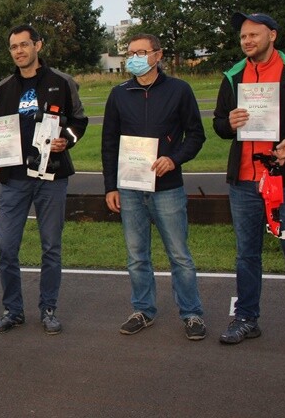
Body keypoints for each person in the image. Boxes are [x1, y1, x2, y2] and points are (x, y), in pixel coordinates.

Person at [213, 12, 285, 356]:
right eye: (243, 37)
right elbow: (219, 125)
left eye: (254, 35)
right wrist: (229, 123)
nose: (247, 41)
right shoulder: (233, 76)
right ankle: (246, 319)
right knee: (246, 255)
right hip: (244, 182)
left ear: (272, 36)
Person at [0, 25, 88, 335]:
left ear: (37, 46)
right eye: (13, 47)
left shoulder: (62, 82)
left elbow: (79, 121)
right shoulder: (2, 88)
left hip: (51, 176)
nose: (19, 51)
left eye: (24, 45)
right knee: (6, 247)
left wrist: (67, 140)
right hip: (14, 179)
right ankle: (13, 311)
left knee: (51, 247)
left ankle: (48, 309)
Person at [101, 33, 207, 341]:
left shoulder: (179, 90)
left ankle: (192, 313)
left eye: (141, 52)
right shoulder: (118, 94)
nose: (134, 58)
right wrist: (111, 186)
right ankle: (143, 310)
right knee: (136, 256)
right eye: (130, 53)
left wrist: (174, 159)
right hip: (130, 188)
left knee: (179, 255)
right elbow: (109, 143)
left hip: (168, 188)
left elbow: (196, 135)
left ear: (157, 55)